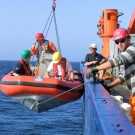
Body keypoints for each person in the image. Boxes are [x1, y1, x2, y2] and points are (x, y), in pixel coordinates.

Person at [86, 28, 135, 96]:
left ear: (128, 38)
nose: (119, 44)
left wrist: (95, 69)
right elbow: (122, 76)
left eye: (122, 40)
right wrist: (109, 86)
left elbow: (117, 61)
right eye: (117, 42)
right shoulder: (125, 54)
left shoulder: (133, 49)